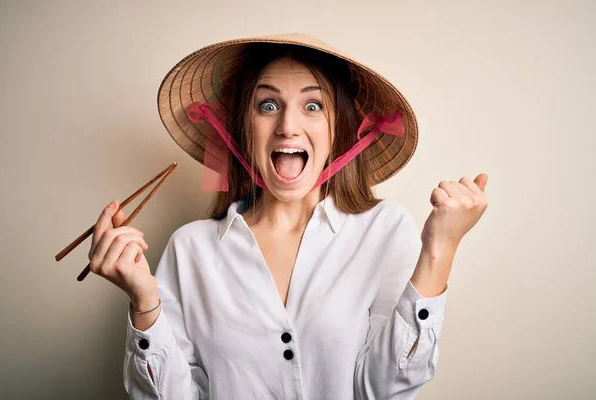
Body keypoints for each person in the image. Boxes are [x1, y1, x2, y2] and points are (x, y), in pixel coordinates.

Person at [87, 33, 488, 399]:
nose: (288, 126)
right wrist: (144, 303)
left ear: (340, 131)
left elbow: (384, 390)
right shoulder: (191, 247)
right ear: (244, 128)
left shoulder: (384, 230)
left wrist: (441, 248)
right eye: (268, 105)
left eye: (312, 106)